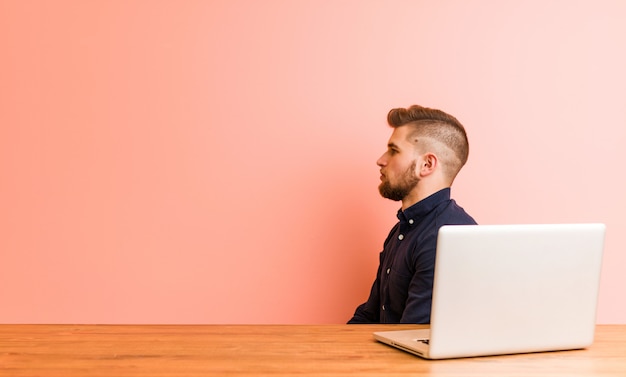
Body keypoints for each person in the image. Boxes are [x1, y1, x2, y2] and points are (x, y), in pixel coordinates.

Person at [348, 104, 477, 324]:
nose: (381, 160)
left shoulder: (448, 237)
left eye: (394, 150)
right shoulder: (401, 230)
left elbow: (411, 337)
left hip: (405, 358)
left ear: (426, 164)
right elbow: (370, 315)